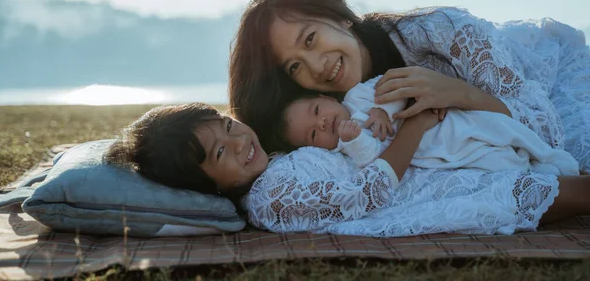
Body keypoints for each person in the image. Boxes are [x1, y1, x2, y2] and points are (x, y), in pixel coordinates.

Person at [228, 0, 590, 174]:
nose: (317, 66)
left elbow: (545, 129)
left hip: (561, 82)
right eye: (294, 67)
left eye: (310, 38)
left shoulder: (443, 32)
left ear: (338, 15)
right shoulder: (329, 114)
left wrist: (457, 91)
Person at [104, 103, 590, 236]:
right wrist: (414, 127)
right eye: (218, 155)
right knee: (566, 192)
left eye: (228, 126)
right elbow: (367, 195)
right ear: (205, 186)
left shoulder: (275, 161)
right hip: (426, 198)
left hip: (429, 173)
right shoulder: (272, 200)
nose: (237, 142)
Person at [274, 75, 579, 180]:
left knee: (497, 127)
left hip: (447, 122)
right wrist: (354, 142)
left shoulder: (359, 95)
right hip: (434, 151)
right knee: (492, 160)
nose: (323, 122)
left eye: (317, 110)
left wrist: (382, 109)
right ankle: (534, 172)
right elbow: (371, 160)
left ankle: (547, 155)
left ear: (325, 96)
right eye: (314, 133)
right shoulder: (343, 146)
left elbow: (400, 89)